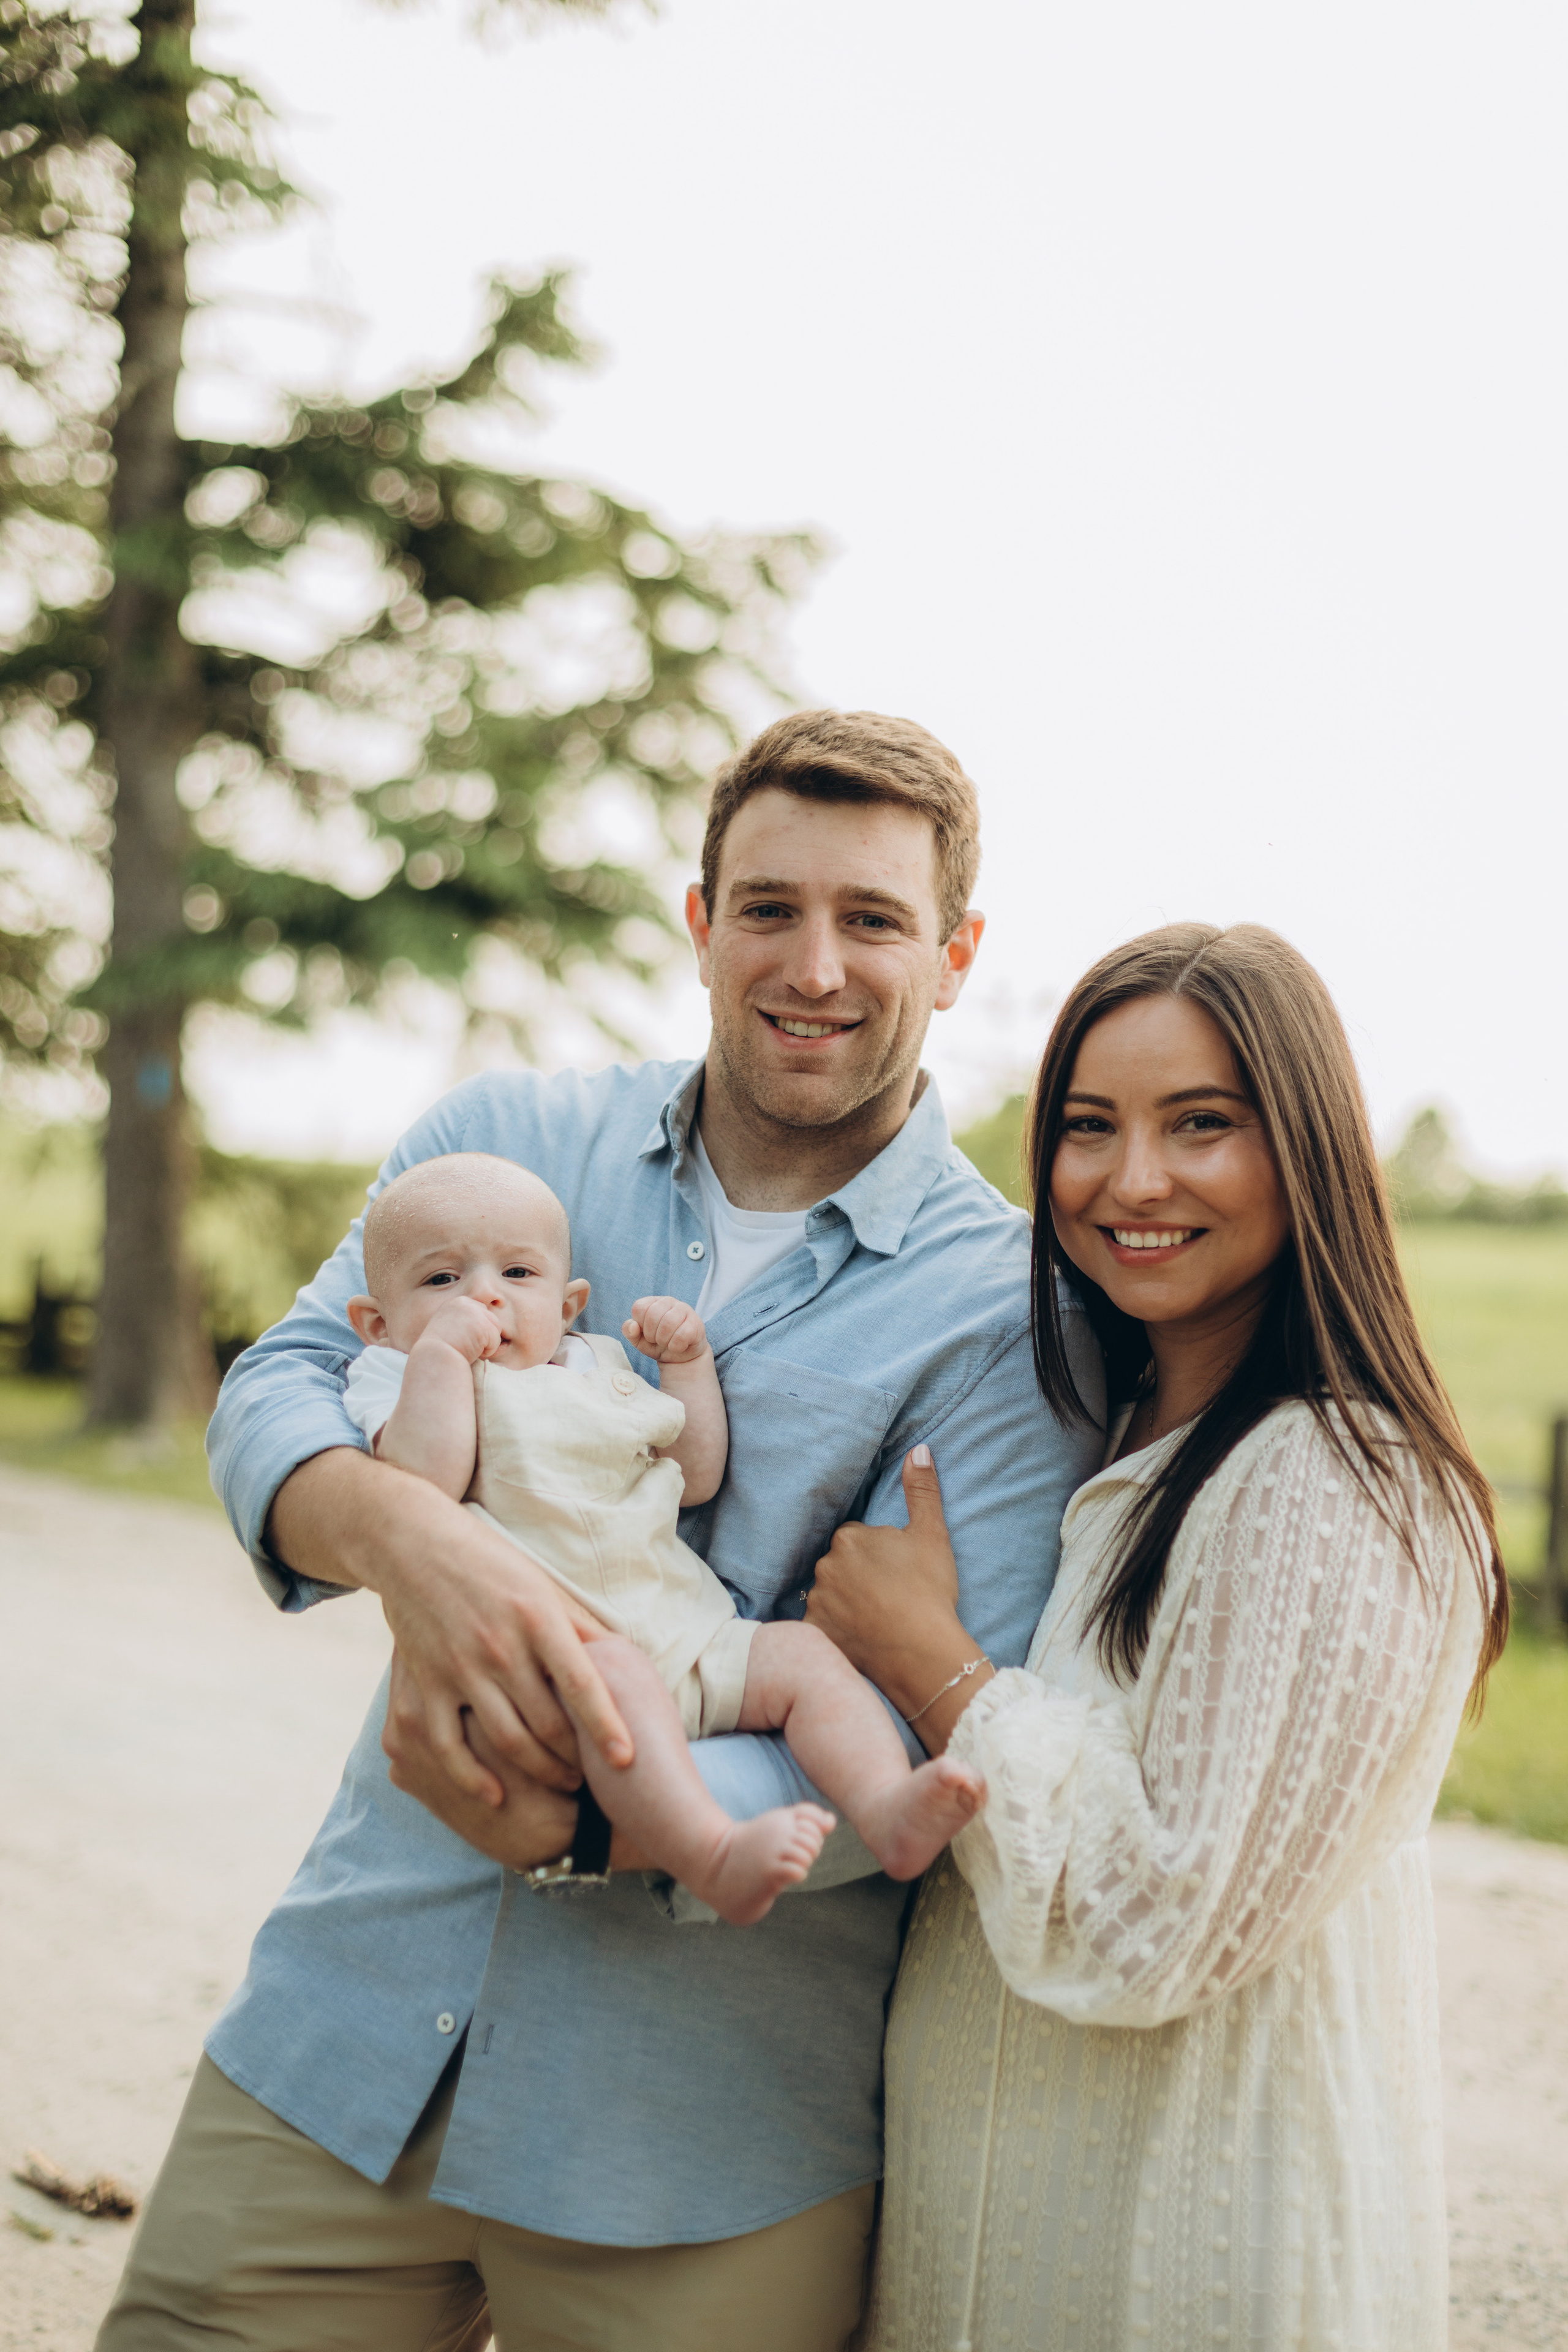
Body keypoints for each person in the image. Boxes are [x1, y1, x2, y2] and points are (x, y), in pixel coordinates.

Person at [97, 709, 1104, 2352]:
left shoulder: (1012, 1315)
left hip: (700, 2140)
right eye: (768, 907)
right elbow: (281, 1386)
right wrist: (421, 1549)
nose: (814, 965)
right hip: (348, 2035)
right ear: (701, 921)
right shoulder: (506, 1145)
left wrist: (581, 1821)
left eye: (872, 919)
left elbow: (926, 1719)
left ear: (957, 955)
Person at [805, 921, 1508, 2352]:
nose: (1131, 1179)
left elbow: (1150, 1921)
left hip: (1191, 2263)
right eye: (1086, 1126)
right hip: (1004, 2240)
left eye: (1199, 1124)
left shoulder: (1334, 1477)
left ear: (1303, 1147)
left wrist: (930, 1662)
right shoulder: (1113, 1433)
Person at [341, 1148, 984, 1924]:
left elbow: (695, 1475)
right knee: (622, 1684)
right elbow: (425, 1483)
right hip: (565, 1654)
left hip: (690, 1626)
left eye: (517, 1274)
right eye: (443, 1280)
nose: (484, 1297)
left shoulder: (595, 1365)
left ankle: (884, 1808)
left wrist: (686, 1366)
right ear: (377, 1324)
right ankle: (711, 1852)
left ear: (568, 1306)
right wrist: (440, 1354)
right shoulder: (396, 1375)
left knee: (804, 1658)